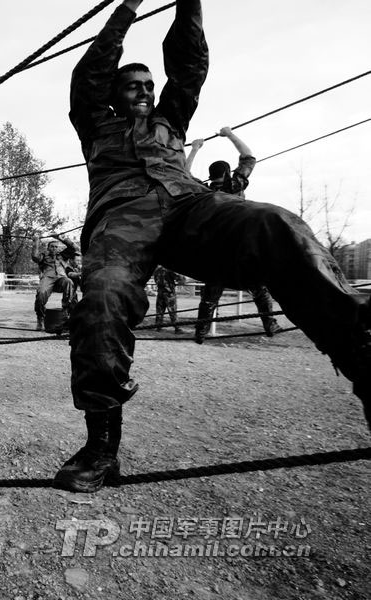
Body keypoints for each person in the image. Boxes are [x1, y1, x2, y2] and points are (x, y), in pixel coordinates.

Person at [60, 0, 371, 494]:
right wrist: (130, 6)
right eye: (132, 85)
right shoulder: (95, 122)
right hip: (122, 218)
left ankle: (362, 355)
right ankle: (102, 447)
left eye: (148, 85)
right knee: (102, 300)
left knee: (274, 223)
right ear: (114, 95)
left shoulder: (172, 121)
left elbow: (189, 65)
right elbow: (89, 69)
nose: (145, 90)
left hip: (188, 206)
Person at [187, 127, 283, 342]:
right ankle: (270, 323)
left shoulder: (204, 191)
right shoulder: (236, 184)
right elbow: (249, 156)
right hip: (240, 246)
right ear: (227, 173)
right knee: (258, 287)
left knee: (210, 295)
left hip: (217, 249)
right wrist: (229, 135)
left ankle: (200, 332)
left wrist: (194, 149)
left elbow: (183, 174)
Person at [32, 233, 80, 331]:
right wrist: (36, 241)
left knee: (69, 282)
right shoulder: (44, 256)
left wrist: (60, 238)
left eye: (56, 247)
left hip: (61, 279)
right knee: (41, 293)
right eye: (52, 247)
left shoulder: (63, 256)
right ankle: (40, 318)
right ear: (48, 248)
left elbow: (75, 248)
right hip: (48, 278)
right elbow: (35, 257)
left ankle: (66, 312)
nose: (54, 248)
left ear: (58, 248)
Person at [153, 265, 182, 334]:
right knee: (172, 311)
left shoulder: (157, 269)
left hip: (160, 292)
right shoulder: (169, 269)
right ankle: (177, 328)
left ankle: (158, 327)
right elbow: (179, 278)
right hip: (169, 293)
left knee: (159, 311)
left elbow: (155, 279)